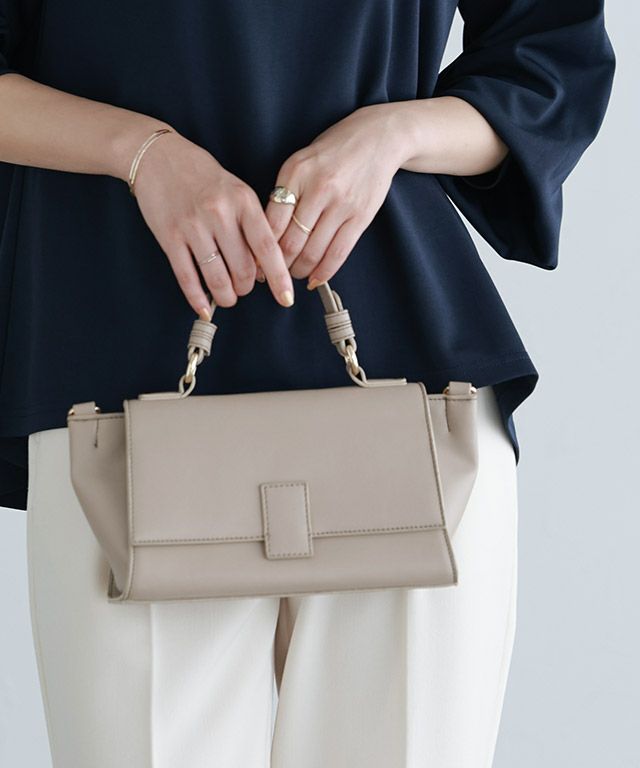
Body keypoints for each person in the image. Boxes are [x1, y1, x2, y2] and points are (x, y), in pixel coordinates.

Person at [0, 1, 615, 766]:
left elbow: (551, 54)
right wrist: (140, 153)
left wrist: (393, 135)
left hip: (413, 396)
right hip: (117, 391)